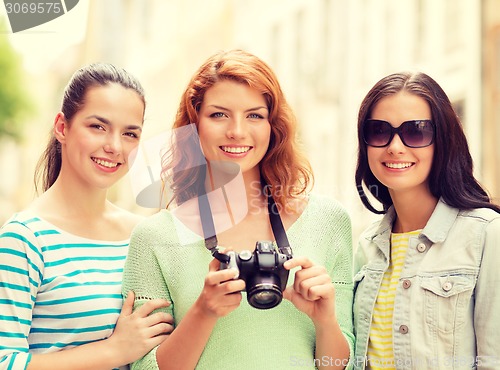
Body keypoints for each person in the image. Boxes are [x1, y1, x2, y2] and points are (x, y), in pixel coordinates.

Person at [122, 49, 355, 369]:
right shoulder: (154, 237)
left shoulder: (327, 221)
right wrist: (204, 311)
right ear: (194, 124)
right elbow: (144, 367)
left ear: (274, 126)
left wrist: (325, 320)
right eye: (219, 114)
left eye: (255, 115)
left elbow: (340, 365)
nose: (237, 131)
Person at [0, 63, 173, 370]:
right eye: (98, 126)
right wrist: (114, 351)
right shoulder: (24, 238)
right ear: (62, 127)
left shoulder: (144, 236)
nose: (114, 147)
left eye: (130, 133)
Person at [353, 71, 500, 369]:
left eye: (416, 131)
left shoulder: (487, 235)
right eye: (380, 131)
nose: (395, 147)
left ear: (443, 142)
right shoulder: (367, 247)